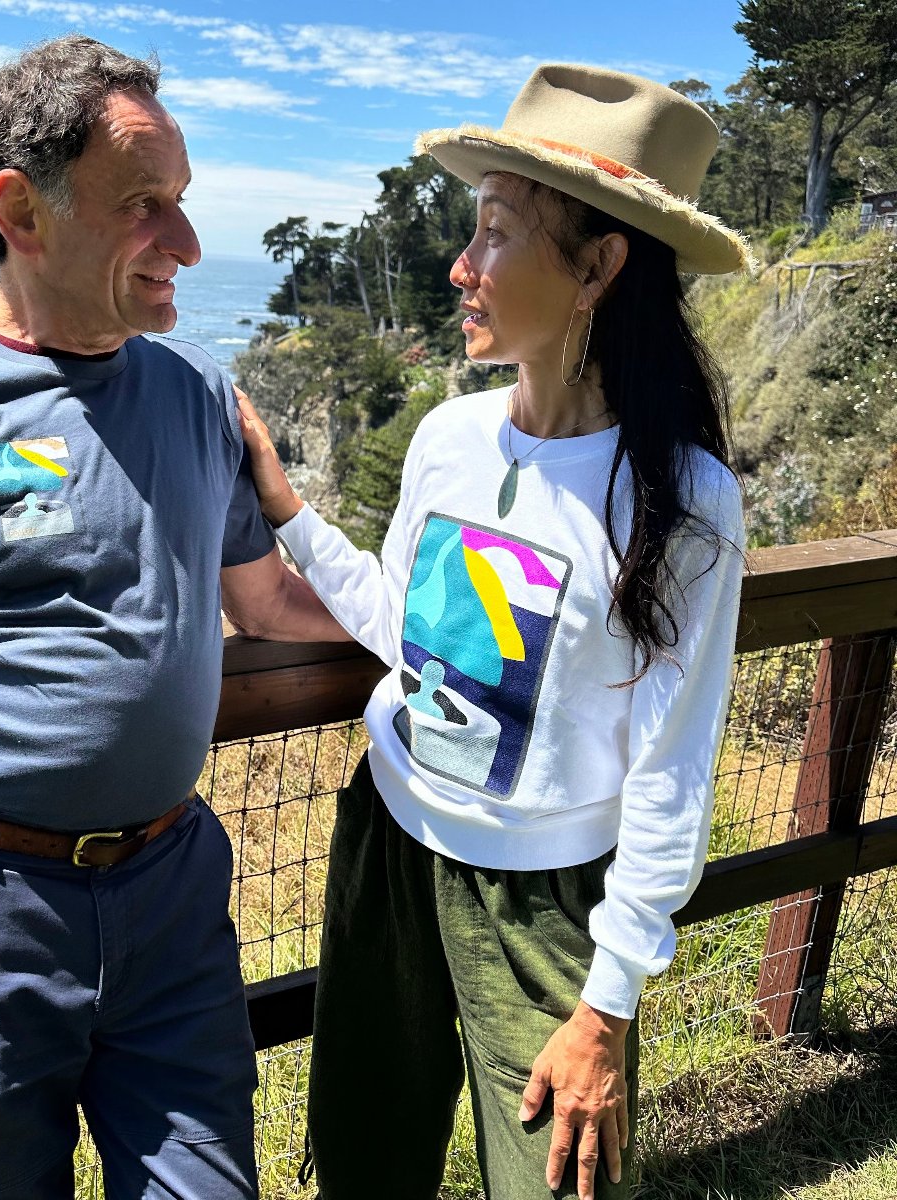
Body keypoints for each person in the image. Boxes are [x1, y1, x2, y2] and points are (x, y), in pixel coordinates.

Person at [0, 35, 347, 1200]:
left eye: (184, 203)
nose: (187, 246)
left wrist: (453, 632)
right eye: (147, 206)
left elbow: (270, 600)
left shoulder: (195, 392)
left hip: (175, 890)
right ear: (21, 210)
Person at [237, 64, 750, 1200]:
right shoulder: (451, 437)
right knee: (370, 1156)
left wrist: (610, 1002)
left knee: (559, 1183)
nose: (461, 268)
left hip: (545, 902)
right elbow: (414, 637)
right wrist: (288, 512)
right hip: (394, 843)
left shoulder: (683, 500)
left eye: (497, 235)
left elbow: (672, 770)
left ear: (599, 267)